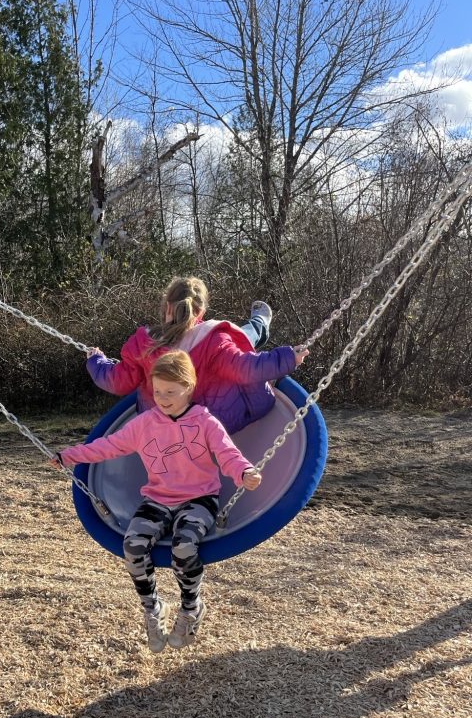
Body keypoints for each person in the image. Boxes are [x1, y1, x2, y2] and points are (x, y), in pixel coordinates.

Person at [52, 351, 262, 652]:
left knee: (184, 547)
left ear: (188, 387)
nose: (162, 398)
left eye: (170, 392)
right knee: (133, 545)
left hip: (199, 499)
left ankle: (191, 609)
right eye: (158, 391)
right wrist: (69, 456)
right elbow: (108, 447)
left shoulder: (204, 421)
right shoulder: (145, 423)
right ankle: (153, 608)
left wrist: (244, 472)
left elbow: (227, 453)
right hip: (159, 499)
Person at [86, 276, 309, 434]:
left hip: (162, 425)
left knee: (240, 338)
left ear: (167, 307)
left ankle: (260, 322)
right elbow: (246, 368)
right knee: (245, 337)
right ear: (201, 312)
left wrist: (96, 361)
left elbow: (116, 381)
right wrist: (288, 358)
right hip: (216, 423)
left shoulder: (145, 345)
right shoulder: (213, 340)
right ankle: (260, 321)